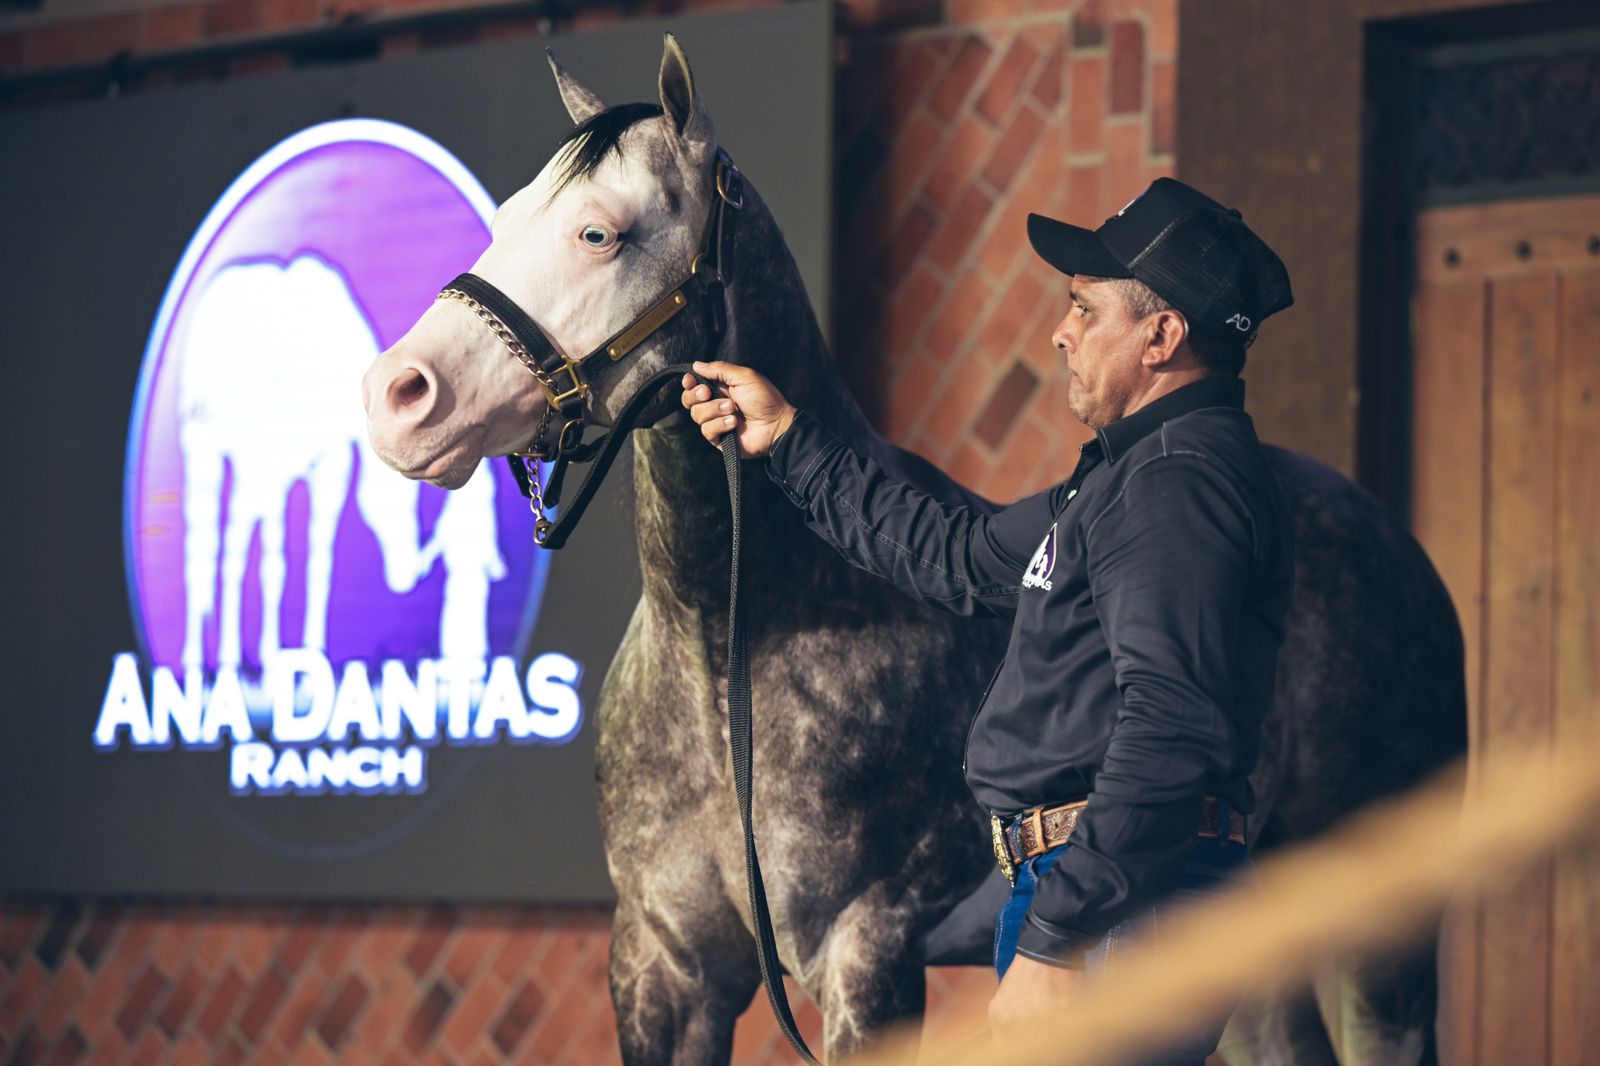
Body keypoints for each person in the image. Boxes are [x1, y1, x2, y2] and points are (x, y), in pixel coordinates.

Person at [681, 177, 1296, 1064]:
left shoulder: (1176, 485)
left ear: (1162, 337)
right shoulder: (1129, 477)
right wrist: (788, 440)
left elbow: (1170, 726)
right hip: (1096, 896)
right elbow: (958, 554)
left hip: (1114, 909)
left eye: (1085, 309)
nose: (1061, 330)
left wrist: (1059, 938)